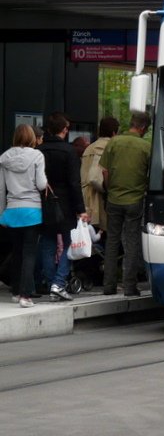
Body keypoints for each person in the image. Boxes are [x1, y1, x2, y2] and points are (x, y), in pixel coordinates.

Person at [100, 111, 151, 296]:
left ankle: (108, 286)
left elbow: (104, 171)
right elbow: (151, 176)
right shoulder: (146, 147)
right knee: (131, 243)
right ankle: (129, 286)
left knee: (112, 242)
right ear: (144, 127)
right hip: (135, 201)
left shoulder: (114, 142)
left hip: (113, 199)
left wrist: (110, 189)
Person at [37, 112, 87, 301]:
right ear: (64, 130)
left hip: (45, 201)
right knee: (67, 243)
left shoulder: (39, 150)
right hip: (65, 202)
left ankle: (52, 284)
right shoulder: (69, 151)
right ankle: (59, 283)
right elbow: (74, 182)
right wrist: (80, 209)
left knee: (48, 244)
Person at [0, 124, 48, 308]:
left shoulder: (4, 158)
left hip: (12, 210)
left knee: (17, 252)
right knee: (29, 254)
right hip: (32, 211)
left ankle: (15, 291)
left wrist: (1, 213)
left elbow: (1, 189)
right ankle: (25, 296)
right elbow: (42, 184)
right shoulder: (37, 156)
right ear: (30, 137)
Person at [81, 116, 119, 232]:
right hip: (104, 198)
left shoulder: (89, 148)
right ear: (114, 132)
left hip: (87, 197)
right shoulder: (113, 148)